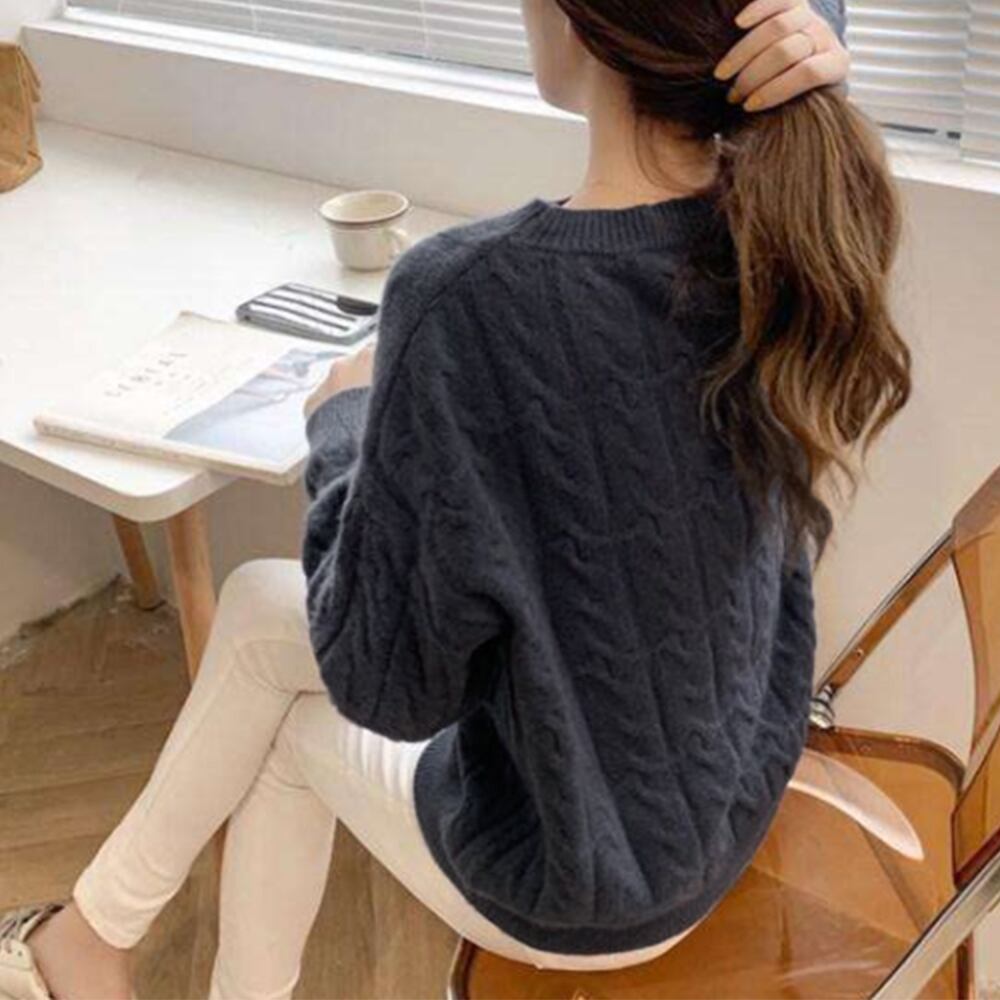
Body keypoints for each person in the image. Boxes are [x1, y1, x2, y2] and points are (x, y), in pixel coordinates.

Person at [1, 0, 912, 997]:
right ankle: (88, 943)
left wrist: (344, 423)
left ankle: (97, 950)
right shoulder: (787, 223)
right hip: (728, 786)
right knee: (261, 602)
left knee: (287, 735)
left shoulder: (463, 297)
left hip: (582, 880)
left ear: (579, 22)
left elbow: (385, 686)